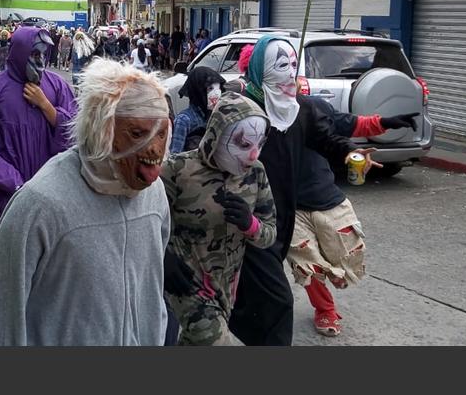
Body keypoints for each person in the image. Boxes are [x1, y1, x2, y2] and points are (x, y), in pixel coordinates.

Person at [0, 59, 171, 345]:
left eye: (161, 132)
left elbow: (153, 289)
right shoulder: (42, 202)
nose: (154, 147)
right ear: (102, 129)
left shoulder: (155, 197)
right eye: (138, 133)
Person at [222, 37, 377, 346]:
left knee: (251, 294)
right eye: (281, 66)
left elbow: (326, 138)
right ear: (260, 69)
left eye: (294, 66)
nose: (290, 74)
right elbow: (211, 150)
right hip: (247, 221)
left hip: (283, 217)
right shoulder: (241, 108)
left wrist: (348, 152)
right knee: (278, 300)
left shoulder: (297, 109)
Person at [290, 94, 417, 337]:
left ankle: (335, 271)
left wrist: (387, 122)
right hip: (289, 205)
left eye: (291, 67)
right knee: (307, 264)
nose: (287, 75)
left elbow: (351, 123)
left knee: (347, 258)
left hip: (326, 197)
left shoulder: (314, 107)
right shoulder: (261, 111)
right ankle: (325, 309)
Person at [161, 93, 277, 345]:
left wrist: (251, 224)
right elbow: (146, 222)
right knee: (212, 339)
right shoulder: (176, 170)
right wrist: (162, 258)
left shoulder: (256, 173)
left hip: (226, 289)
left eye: (259, 145)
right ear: (217, 134)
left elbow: (269, 233)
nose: (253, 156)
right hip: (186, 285)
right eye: (244, 144)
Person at [0, 26, 76, 263]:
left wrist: (46, 106)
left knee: (49, 256)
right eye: (35, 54)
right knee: (6, 253)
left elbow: (74, 132)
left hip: (49, 188)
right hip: (6, 190)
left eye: (44, 54)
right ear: (20, 53)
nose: (41, 60)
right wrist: (8, 178)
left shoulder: (57, 86)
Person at [170, 66, 225, 154]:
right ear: (198, 90)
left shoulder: (216, 117)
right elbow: (174, 157)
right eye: (210, 88)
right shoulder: (184, 120)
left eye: (218, 88)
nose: (216, 93)